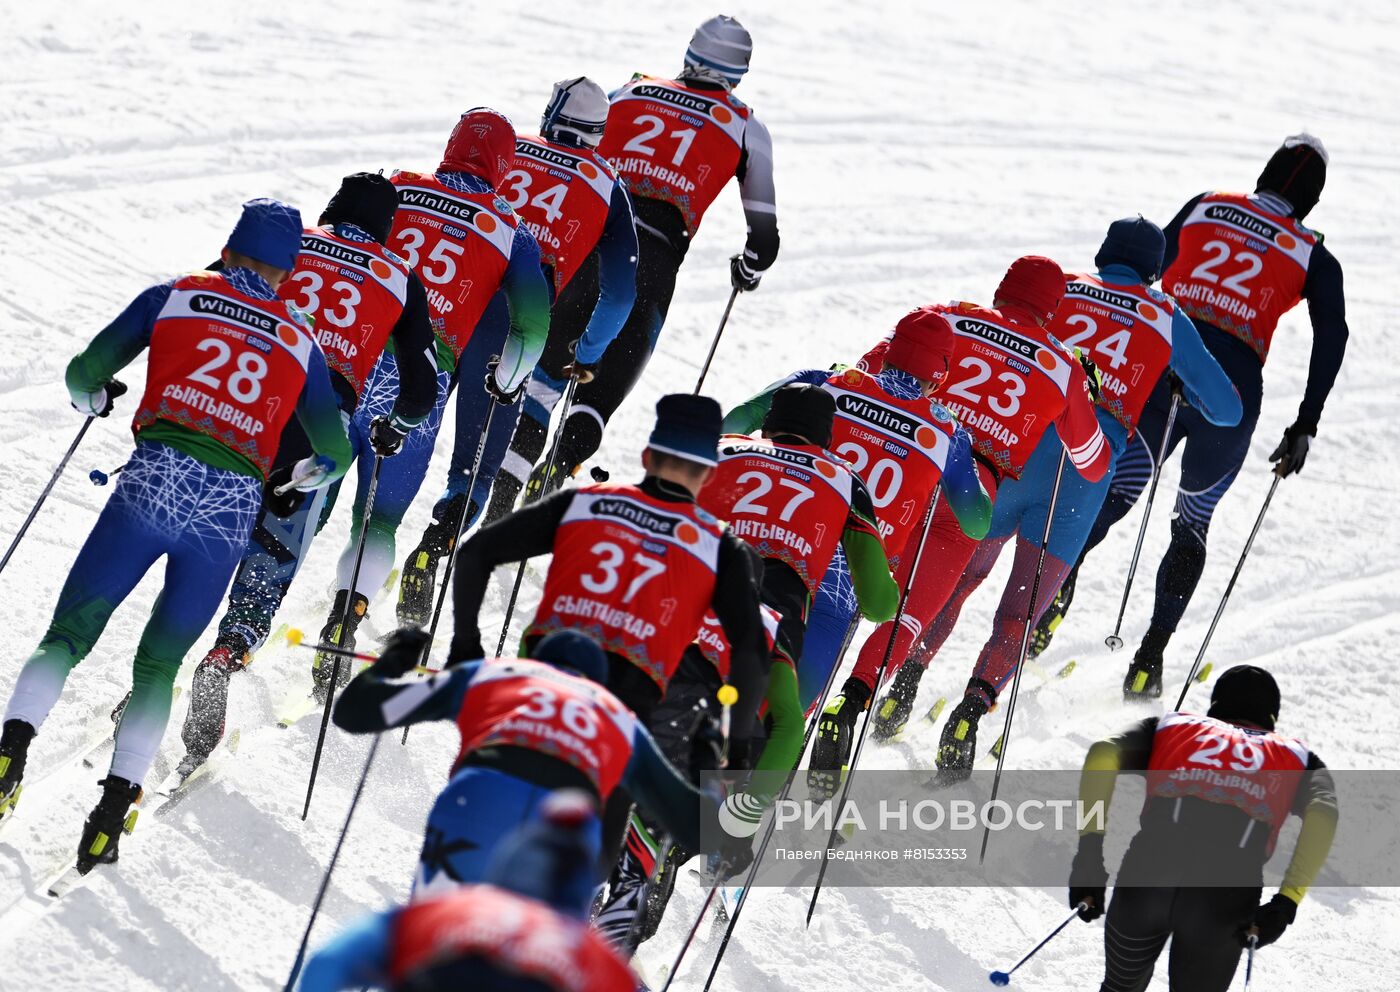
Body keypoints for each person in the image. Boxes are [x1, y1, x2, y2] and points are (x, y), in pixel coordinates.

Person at [0, 200, 351, 873]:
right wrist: (295, 477)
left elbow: (82, 375)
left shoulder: (177, 294)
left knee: (67, 636)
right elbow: (334, 453)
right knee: (158, 665)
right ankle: (110, 813)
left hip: (151, 487)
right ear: (287, 272)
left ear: (229, 247)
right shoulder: (301, 337)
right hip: (225, 514)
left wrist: (95, 399)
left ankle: (8, 753)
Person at [897, 219, 1242, 777]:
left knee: (960, 575)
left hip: (1020, 445)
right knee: (1022, 610)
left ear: (1103, 253)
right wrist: (1176, 382)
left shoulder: (1065, 288)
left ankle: (905, 680)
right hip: (1085, 471)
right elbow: (1228, 409)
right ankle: (971, 710)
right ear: (1155, 271)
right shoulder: (1165, 315)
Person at [1035, 135, 1349, 697]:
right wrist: (1306, 422)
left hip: (1159, 359)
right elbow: (1333, 336)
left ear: (1265, 171)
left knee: (1111, 488)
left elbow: (1147, 267)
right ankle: (1149, 657)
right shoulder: (1314, 255)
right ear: (1312, 199)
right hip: (1231, 387)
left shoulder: (1207, 203)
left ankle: (1058, 585)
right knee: (1192, 522)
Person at [177, 174, 438, 770]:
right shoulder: (398, 275)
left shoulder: (289, 245)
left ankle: (158, 667)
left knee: (211, 539)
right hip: (317, 432)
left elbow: (197, 295)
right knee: (274, 550)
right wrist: (397, 426)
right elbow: (421, 386)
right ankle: (227, 652)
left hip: (241, 406)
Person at [449, 393, 768, 872]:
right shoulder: (719, 546)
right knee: (587, 869)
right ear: (708, 475)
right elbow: (749, 649)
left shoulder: (585, 503)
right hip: (615, 729)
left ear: (646, 457)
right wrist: (739, 745)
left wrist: (466, 647)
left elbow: (474, 555)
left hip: (536, 701)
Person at [820, 256, 1110, 780]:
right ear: (1052, 309)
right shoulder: (1062, 364)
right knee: (910, 612)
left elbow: (870, 373)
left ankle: (803, 695)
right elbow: (1093, 462)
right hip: (974, 495)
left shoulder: (949, 315)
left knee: (846, 588)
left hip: (909, 465)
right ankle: (854, 699)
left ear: (1002, 288)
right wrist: (1079, 396)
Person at [310, 109, 551, 684]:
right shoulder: (509, 228)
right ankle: (347, 614)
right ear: (504, 165)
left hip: (350, 354)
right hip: (417, 379)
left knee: (306, 496)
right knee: (378, 520)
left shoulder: (400, 184)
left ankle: (237, 627)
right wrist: (508, 378)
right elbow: (531, 328)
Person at [400, 78, 640, 622]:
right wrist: (590, 349)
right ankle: (435, 545)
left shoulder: (512, 145)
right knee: (476, 464)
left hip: (452, 296)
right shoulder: (608, 183)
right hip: (516, 321)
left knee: (398, 420)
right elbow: (622, 290)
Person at [519, 15, 781, 487]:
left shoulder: (632, 88)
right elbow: (764, 240)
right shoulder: (745, 124)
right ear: (740, 71)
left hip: (592, 240)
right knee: (598, 390)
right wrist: (749, 267)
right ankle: (557, 470)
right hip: (654, 261)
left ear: (690, 53)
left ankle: (499, 492)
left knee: (544, 379)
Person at [720, 308, 992, 759]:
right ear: (940, 376)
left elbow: (735, 421)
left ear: (888, 351)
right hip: (842, 588)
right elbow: (976, 522)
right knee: (779, 722)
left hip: (770, 544)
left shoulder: (821, 382)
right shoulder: (947, 431)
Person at [333, 629, 742, 895]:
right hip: (562, 842)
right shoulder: (620, 718)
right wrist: (706, 752)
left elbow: (352, 713)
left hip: (474, 807)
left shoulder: (493, 673)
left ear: (538, 662)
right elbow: (702, 831)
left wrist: (395, 658)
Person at [1069, 665, 1337, 992]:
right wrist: (1286, 903)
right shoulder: (1296, 755)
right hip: (1224, 898)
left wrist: (1089, 857)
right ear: (1271, 717)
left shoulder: (1173, 724)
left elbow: (1103, 753)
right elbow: (1324, 812)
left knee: (1120, 986)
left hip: (1147, 876)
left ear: (1216, 705)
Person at [299, 790, 637, 992]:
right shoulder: (600, 960)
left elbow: (328, 962)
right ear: (582, 891)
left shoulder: (448, 909)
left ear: (507, 860)